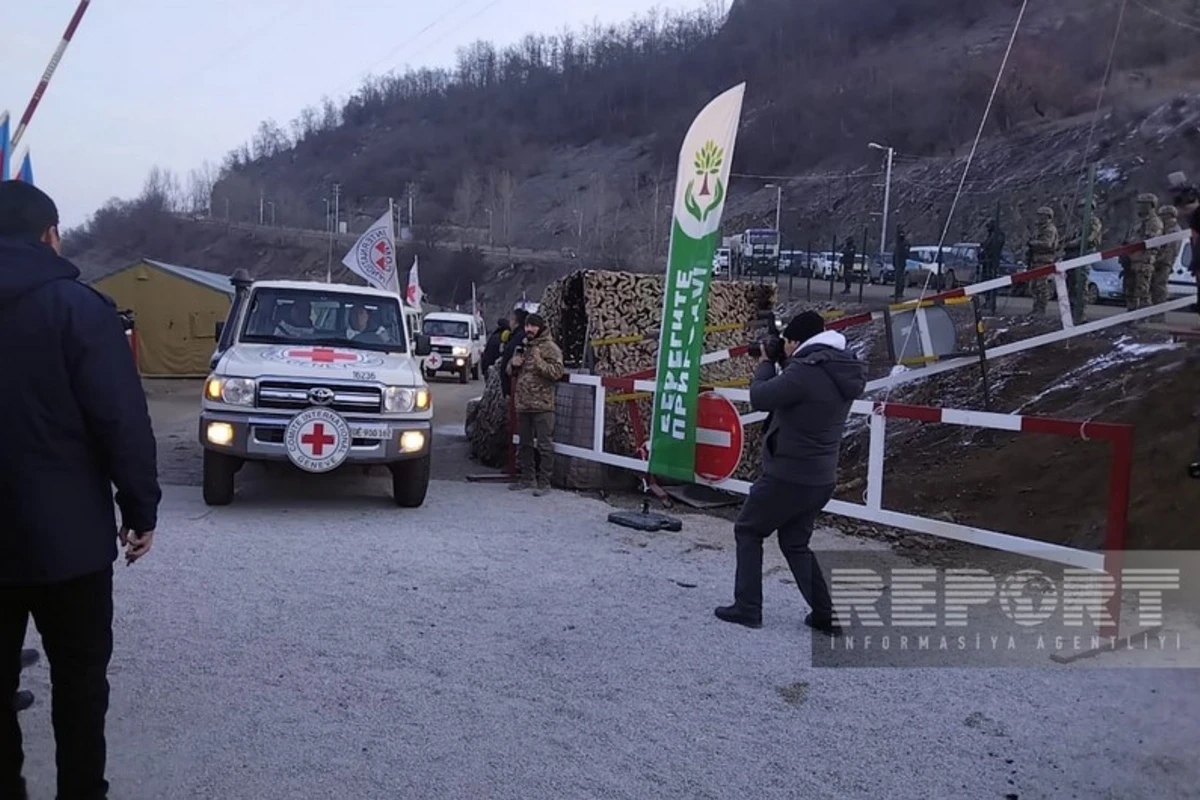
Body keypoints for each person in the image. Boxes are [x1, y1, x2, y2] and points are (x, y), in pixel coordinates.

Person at [0, 180, 161, 800]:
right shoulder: (79, 309)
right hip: (69, 545)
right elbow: (120, 419)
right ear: (50, 235)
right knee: (80, 684)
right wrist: (139, 508)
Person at [714, 311, 867, 636]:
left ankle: (748, 607)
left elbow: (761, 397)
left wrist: (768, 361)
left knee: (749, 530)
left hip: (788, 473)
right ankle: (826, 615)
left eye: (787, 342)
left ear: (796, 342)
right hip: (820, 476)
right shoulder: (840, 366)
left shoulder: (804, 372)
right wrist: (785, 360)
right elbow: (801, 395)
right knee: (795, 543)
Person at [507, 313, 565, 496]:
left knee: (544, 445)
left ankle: (544, 482)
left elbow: (556, 372)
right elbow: (511, 371)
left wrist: (539, 361)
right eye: (527, 326)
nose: (529, 329)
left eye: (533, 326)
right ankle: (527, 478)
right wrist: (513, 364)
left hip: (543, 405)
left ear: (540, 327)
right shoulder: (523, 346)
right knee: (524, 444)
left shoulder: (550, 348)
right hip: (524, 404)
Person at [1062, 199, 1103, 324]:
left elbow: (1088, 239)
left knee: (1080, 285)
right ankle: (1071, 314)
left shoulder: (1093, 222)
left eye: (1082, 207)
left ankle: (1080, 315)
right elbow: (1069, 237)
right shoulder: (1078, 223)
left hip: (1083, 256)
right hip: (1071, 257)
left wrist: (1071, 243)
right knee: (1071, 285)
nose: (1079, 210)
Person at [1123, 193, 1164, 312]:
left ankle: (1143, 318)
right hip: (1132, 260)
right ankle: (1131, 315)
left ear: (1151, 206)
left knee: (1142, 292)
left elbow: (1151, 240)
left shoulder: (1155, 222)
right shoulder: (1138, 222)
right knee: (1130, 291)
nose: (1139, 207)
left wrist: (1132, 242)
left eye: (1143, 205)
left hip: (1144, 261)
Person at [1026, 207, 1059, 316]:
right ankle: (1035, 309)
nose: (1039, 218)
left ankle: (1041, 310)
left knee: (1042, 286)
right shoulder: (1039, 229)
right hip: (1036, 260)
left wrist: (1033, 243)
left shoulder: (1049, 229)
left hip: (1044, 261)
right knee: (1034, 286)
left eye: (1042, 215)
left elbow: (1047, 244)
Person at [1151, 205, 1181, 322]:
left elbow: (1170, 250)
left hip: (1164, 263)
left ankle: (1159, 314)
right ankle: (1155, 313)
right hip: (1161, 261)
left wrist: (1159, 260)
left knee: (1159, 287)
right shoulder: (1166, 228)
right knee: (1155, 287)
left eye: (1163, 215)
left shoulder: (1173, 230)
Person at [499, 307, 529, 398]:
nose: (509, 323)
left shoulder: (517, 339)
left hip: (514, 387)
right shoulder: (517, 336)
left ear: (516, 322)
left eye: (511, 320)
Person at [980, 219, 1005, 314]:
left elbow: (993, 247)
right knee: (986, 281)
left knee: (991, 281)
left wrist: (986, 250)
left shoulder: (998, 235)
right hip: (987, 261)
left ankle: (991, 302)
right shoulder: (992, 235)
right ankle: (987, 301)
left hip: (992, 261)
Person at [892, 226, 910, 301]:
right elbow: (894, 254)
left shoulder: (904, 245)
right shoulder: (898, 245)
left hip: (901, 264)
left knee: (900, 278)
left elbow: (906, 254)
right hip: (897, 263)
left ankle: (899, 292)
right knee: (897, 278)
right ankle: (896, 292)